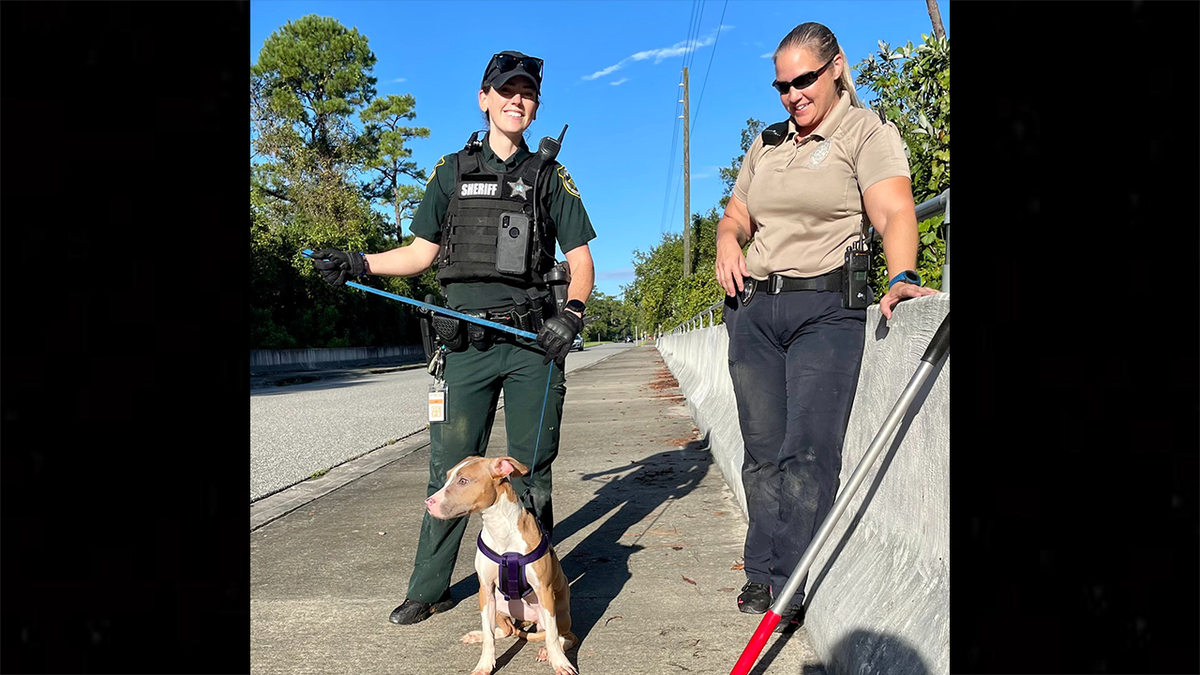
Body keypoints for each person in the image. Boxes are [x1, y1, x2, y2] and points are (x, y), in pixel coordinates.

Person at [311, 50, 596, 626]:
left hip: (531, 348)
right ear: (484, 97)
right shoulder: (450, 171)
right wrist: (358, 262)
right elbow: (420, 255)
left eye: (528, 93)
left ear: (535, 107)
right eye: (507, 90)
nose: (518, 100)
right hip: (464, 347)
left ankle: (531, 586)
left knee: (530, 468)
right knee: (449, 465)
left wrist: (572, 313)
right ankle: (430, 587)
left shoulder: (549, 176)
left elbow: (582, 258)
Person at [712, 22, 938, 633]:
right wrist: (726, 240)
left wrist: (902, 275)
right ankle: (760, 568)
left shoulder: (865, 132)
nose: (791, 95)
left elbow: (892, 210)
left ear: (836, 68)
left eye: (803, 80)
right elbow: (737, 214)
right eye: (781, 86)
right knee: (761, 454)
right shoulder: (767, 143)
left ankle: (792, 580)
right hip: (754, 309)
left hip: (825, 308)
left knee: (807, 453)